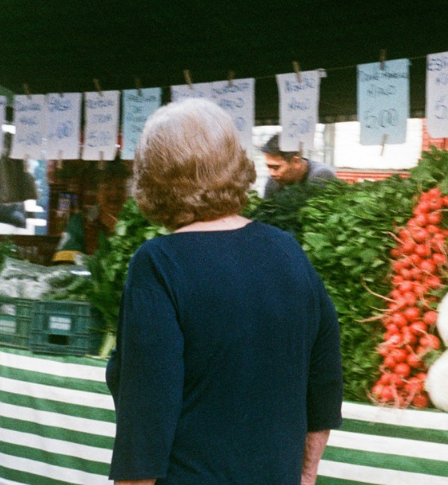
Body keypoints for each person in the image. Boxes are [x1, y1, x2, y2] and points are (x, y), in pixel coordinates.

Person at [107, 99, 342, 485]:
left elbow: (146, 416)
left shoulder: (159, 264)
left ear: (152, 177)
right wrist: (305, 474)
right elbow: (325, 378)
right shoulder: (287, 250)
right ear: (236, 164)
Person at [260, 135, 337, 199]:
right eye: (268, 167)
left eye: (276, 167)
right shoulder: (273, 181)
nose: (272, 173)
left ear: (296, 161)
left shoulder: (321, 176)